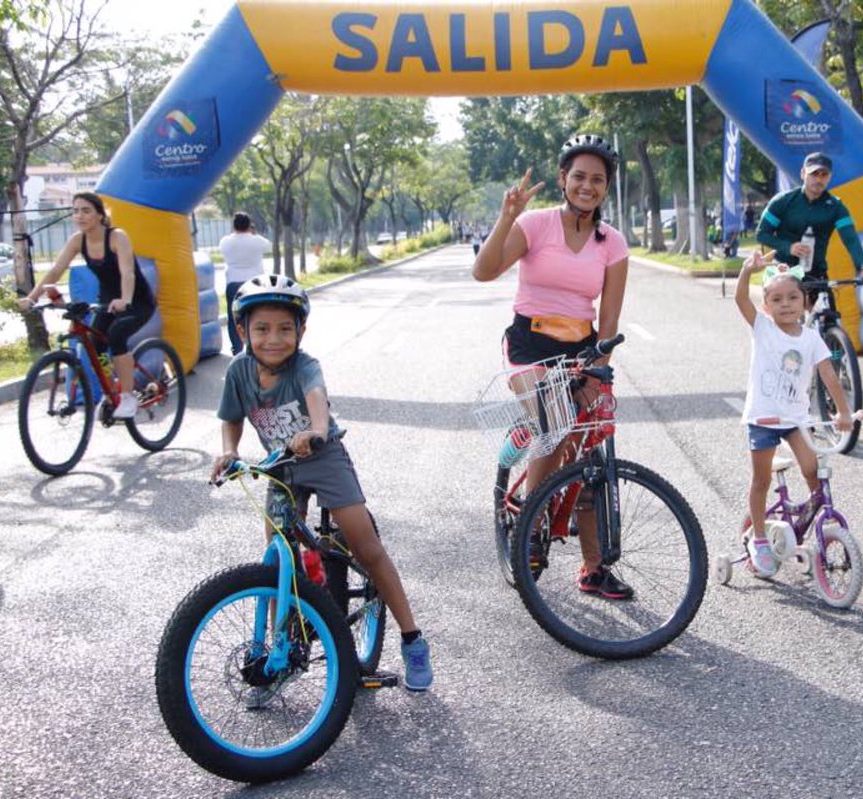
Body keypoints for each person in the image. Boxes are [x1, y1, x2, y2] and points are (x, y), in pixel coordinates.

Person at [210, 275, 433, 692]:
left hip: (322, 457)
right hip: (280, 466)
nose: (273, 339)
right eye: (261, 329)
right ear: (242, 331)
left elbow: (316, 400)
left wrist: (313, 432)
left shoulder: (306, 366)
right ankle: (278, 649)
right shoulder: (239, 371)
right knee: (277, 559)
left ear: (301, 331)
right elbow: (231, 418)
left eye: (284, 328)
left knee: (367, 548)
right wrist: (229, 451)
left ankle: (412, 638)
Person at [472, 133, 632, 600]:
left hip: (580, 347)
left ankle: (593, 566)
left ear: (606, 187)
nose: (587, 185)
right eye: (578, 176)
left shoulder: (613, 243)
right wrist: (506, 218)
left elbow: (609, 320)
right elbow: (484, 272)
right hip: (528, 343)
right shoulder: (535, 224)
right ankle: (530, 519)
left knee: (588, 453)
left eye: (597, 179)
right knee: (551, 423)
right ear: (563, 179)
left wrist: (597, 366)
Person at [734, 252, 852, 577]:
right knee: (761, 480)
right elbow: (740, 298)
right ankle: (758, 538)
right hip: (763, 419)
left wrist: (843, 411)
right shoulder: (762, 328)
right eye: (776, 299)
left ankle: (809, 523)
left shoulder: (812, 338)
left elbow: (828, 374)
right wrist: (747, 271)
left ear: (806, 302)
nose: (785, 304)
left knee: (813, 470)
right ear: (766, 306)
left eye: (793, 297)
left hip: (796, 420)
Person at [18, 192, 155, 420]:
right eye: (75, 211)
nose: (79, 216)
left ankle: (128, 396)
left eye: (86, 210)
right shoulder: (77, 240)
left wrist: (126, 300)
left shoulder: (117, 236)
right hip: (106, 301)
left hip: (136, 301)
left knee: (117, 335)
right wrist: (32, 298)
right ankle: (112, 393)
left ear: (100, 215)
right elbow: (54, 271)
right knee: (95, 345)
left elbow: (127, 272)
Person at [756, 152, 863, 290]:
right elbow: (762, 234)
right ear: (803, 174)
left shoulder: (836, 207)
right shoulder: (782, 201)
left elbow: (851, 239)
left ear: (830, 177)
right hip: (783, 272)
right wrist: (788, 247)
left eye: (824, 175)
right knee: (785, 310)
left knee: (829, 312)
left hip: (816, 275)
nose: (819, 179)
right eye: (814, 174)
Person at [219, 213, 271, 355]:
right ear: (249, 225)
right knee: (257, 315)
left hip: (233, 284)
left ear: (234, 225)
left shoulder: (225, 242)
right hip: (255, 284)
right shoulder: (257, 241)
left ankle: (237, 350)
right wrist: (254, 234)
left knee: (234, 318)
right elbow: (268, 247)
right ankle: (256, 346)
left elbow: (223, 250)